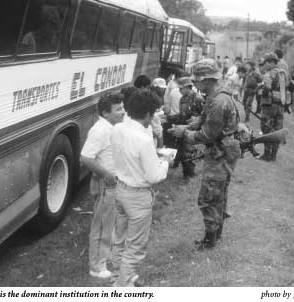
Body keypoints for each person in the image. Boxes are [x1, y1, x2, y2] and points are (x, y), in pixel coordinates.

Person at [169, 59, 241, 250]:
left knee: (209, 197)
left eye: (197, 81)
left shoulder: (218, 101)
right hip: (222, 151)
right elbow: (204, 118)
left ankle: (210, 240)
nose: (195, 84)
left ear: (207, 79)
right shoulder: (215, 94)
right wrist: (189, 125)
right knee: (218, 194)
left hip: (220, 153)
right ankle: (216, 235)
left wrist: (184, 133)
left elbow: (207, 135)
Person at [111, 90, 172, 286]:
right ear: (147, 114)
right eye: (154, 113)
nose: (154, 117)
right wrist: (165, 162)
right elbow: (154, 176)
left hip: (120, 189)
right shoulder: (144, 139)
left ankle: (118, 277)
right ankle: (123, 287)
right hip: (138, 196)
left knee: (119, 239)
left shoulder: (118, 128)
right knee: (135, 246)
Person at [80, 93, 125, 279]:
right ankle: (96, 266)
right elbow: (85, 157)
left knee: (109, 224)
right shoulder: (100, 131)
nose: (123, 112)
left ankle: (105, 258)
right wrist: (106, 174)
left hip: (112, 183)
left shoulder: (111, 127)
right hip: (105, 184)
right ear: (106, 113)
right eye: (119, 109)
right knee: (101, 225)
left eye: (122, 107)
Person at [173, 77, 204, 178]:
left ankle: (190, 174)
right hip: (183, 128)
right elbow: (182, 115)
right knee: (182, 151)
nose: (179, 90)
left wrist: (195, 121)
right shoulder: (182, 99)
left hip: (193, 130)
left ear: (187, 87)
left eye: (181, 88)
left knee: (188, 152)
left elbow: (204, 116)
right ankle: (185, 174)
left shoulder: (198, 98)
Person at [259, 52, 285, 161]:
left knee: (267, 128)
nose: (265, 65)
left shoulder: (269, 74)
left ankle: (266, 155)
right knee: (277, 130)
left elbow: (266, 89)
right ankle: (273, 156)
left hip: (270, 106)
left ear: (270, 62)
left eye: (266, 63)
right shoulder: (283, 73)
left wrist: (261, 92)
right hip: (281, 106)